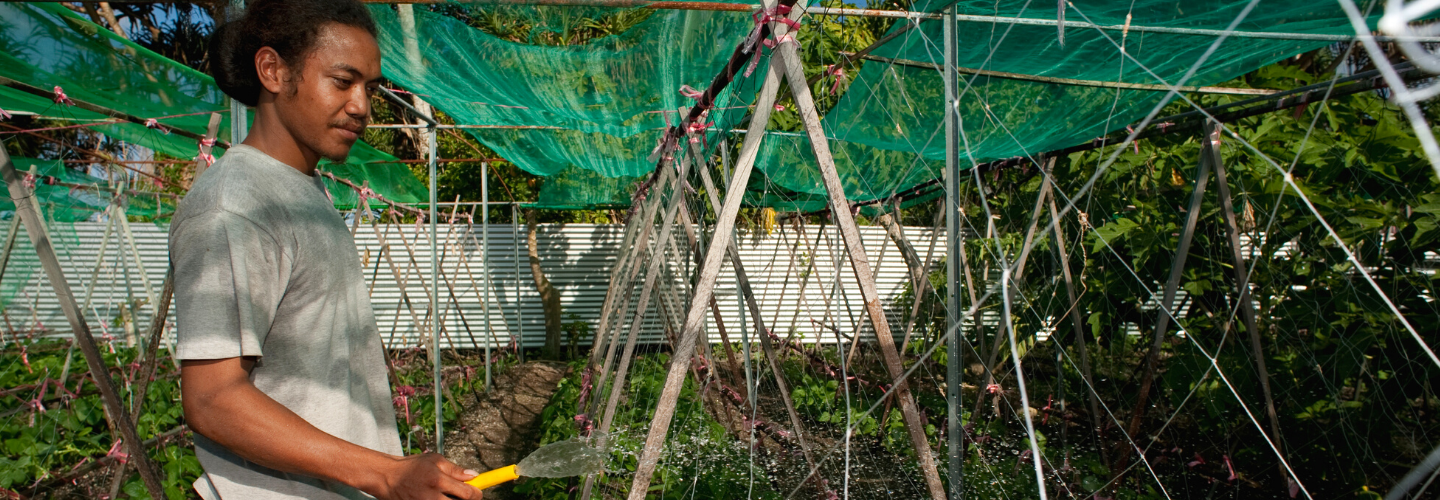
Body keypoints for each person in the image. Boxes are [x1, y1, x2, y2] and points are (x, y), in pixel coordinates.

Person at [170, 1, 480, 498]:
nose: (362, 106)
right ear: (273, 70)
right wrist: (384, 472)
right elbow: (212, 399)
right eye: (342, 81)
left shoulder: (300, 188)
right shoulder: (234, 206)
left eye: (371, 88)